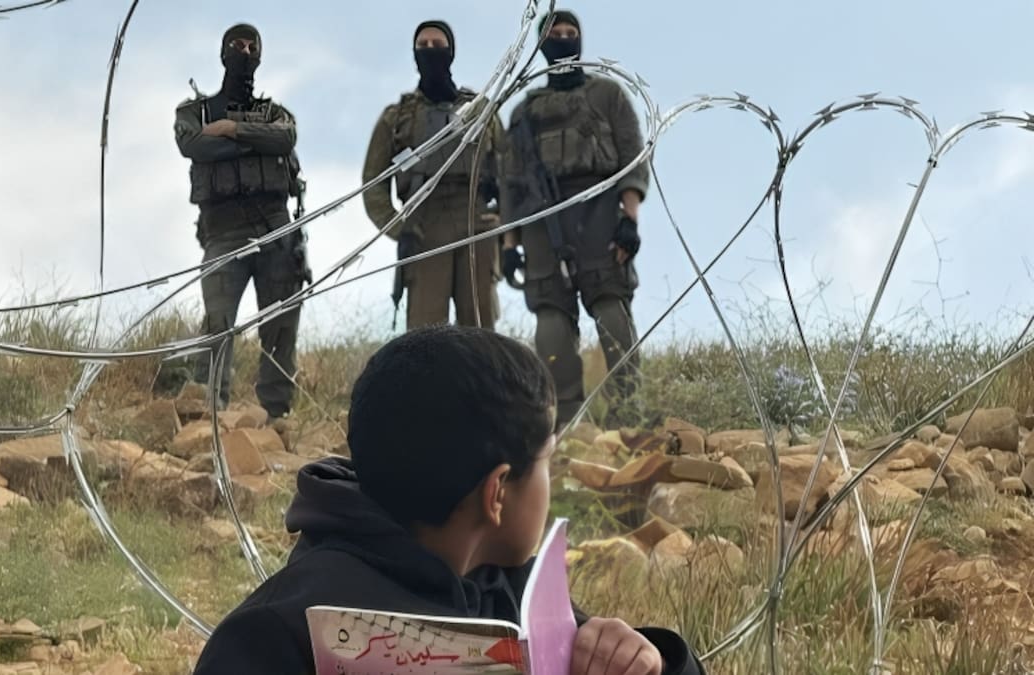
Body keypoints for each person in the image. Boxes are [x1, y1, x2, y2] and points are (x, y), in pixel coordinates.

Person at [192, 325, 706, 675]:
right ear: (497, 492)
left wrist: (654, 660)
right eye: (548, 460)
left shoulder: (524, 601)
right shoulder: (280, 634)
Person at [500, 9, 648, 430]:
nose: (564, 39)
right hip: (542, 219)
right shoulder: (523, 114)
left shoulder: (607, 95)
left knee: (610, 304)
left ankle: (627, 414)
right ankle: (567, 422)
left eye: (571, 33)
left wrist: (629, 218)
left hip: (599, 208)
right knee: (550, 316)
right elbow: (511, 183)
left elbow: (632, 157)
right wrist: (510, 246)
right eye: (555, 34)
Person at [174, 23, 311, 421]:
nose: (245, 52)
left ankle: (277, 416)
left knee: (281, 324)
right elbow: (194, 144)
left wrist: (233, 129)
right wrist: (255, 138)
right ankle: (209, 412)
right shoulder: (194, 112)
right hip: (222, 230)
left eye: (252, 46)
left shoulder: (277, 114)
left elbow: (285, 139)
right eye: (238, 44)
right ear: (223, 52)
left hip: (276, 227)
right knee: (218, 322)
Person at [361, 20, 507, 332]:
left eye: (437, 45)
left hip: (476, 220)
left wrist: (503, 226)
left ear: (451, 51)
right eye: (422, 46)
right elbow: (373, 187)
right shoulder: (397, 117)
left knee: (481, 335)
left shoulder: (481, 111)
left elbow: (512, 172)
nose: (430, 52)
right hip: (424, 226)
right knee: (425, 338)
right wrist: (402, 230)